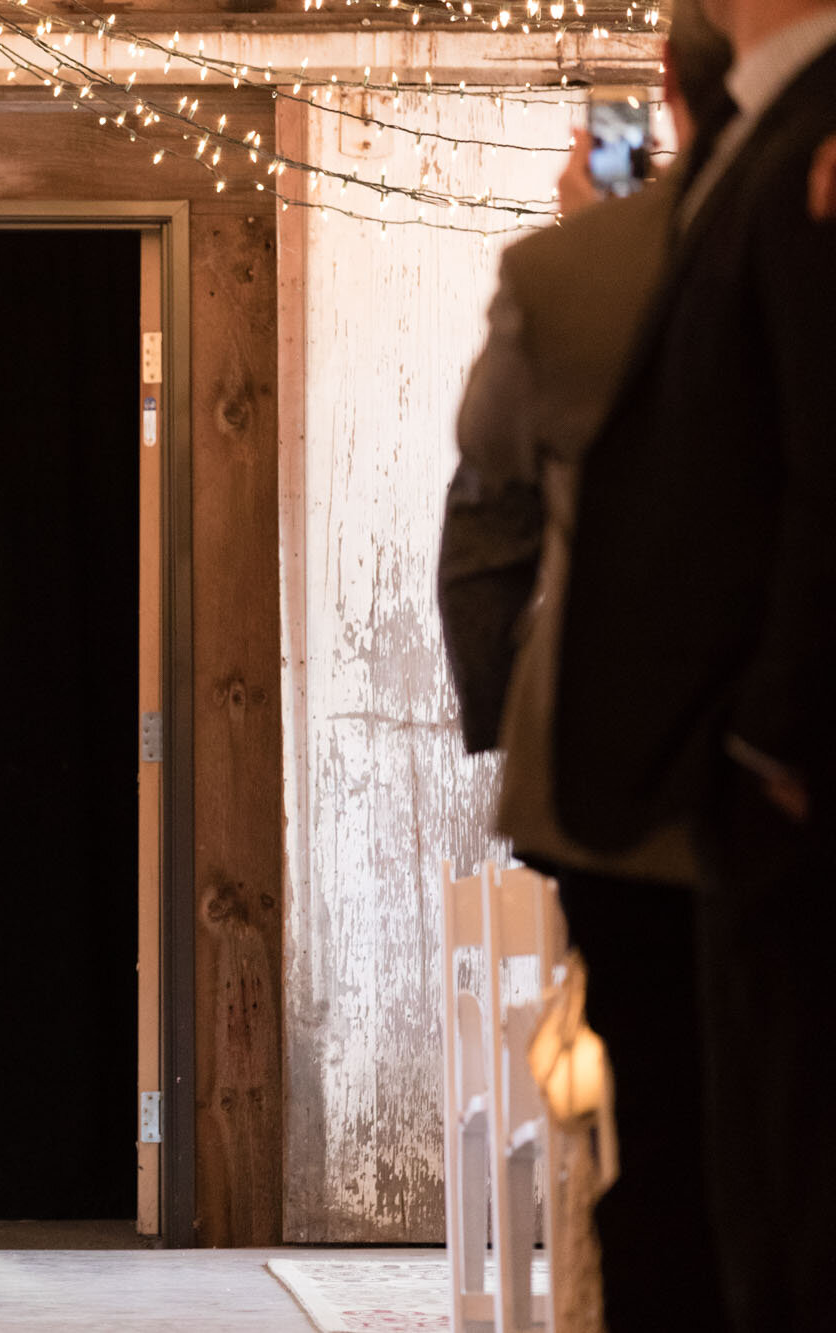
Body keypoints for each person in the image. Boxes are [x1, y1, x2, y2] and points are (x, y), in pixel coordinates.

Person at [436, 7, 735, 1327]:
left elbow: (486, 509)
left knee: (654, 1126)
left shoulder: (578, 275)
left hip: (622, 761)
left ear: (666, 88)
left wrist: (511, 721)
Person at [549, 0, 836, 1323]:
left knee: (776, 1200)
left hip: (769, 776)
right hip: (705, 774)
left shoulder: (815, 140)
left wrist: (770, 740)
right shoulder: (763, 136)